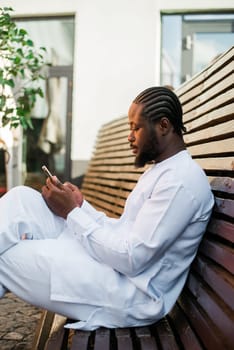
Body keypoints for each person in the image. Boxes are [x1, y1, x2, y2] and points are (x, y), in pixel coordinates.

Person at [0, 86, 214, 330]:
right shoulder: (164, 171)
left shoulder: (180, 182)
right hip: (113, 271)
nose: (129, 136)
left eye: (136, 127)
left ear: (163, 126)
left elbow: (132, 258)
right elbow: (125, 232)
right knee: (21, 199)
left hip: (128, 294)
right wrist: (81, 207)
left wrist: (72, 213)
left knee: (5, 257)